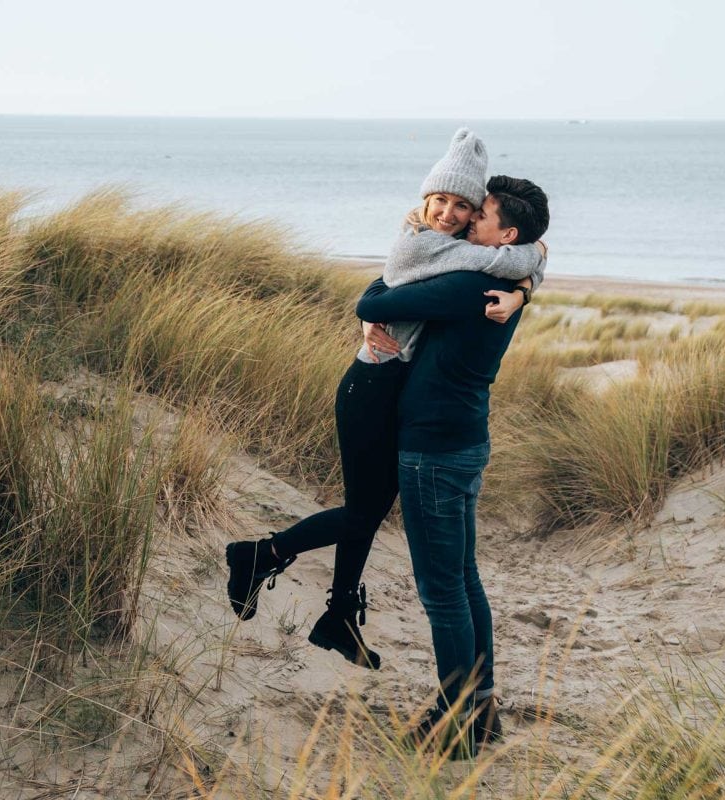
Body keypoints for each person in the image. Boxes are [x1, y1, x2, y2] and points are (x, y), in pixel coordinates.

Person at [224, 130, 545, 672]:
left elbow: (512, 257)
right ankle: (261, 555)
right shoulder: (431, 247)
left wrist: (528, 276)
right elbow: (379, 294)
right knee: (362, 512)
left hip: (392, 391)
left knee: (365, 511)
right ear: (425, 199)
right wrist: (531, 269)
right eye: (440, 200)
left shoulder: (459, 255)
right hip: (370, 389)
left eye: (464, 206)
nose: (449, 212)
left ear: (476, 217)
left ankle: (340, 615)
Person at [355, 175, 550, 757]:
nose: (466, 219)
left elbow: (376, 297)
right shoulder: (502, 278)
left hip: (434, 448)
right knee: (464, 579)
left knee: (442, 592)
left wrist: (373, 311)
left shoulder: (466, 285)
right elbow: (535, 253)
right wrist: (531, 279)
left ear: (505, 235)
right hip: (464, 439)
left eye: (480, 214)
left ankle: (456, 721)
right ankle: (480, 708)